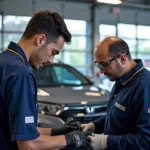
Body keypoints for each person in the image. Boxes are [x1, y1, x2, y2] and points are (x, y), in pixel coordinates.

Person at [0, 10, 91, 150]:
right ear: (40, 40)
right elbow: (28, 144)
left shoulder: (5, 62)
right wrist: (69, 139)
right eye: (53, 52)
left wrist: (55, 132)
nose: (51, 60)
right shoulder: (21, 74)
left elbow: (17, 128)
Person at [82, 36, 150, 150]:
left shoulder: (144, 87)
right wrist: (94, 126)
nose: (101, 71)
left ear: (122, 59)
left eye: (104, 64)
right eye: (98, 65)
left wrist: (105, 142)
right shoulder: (120, 78)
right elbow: (118, 118)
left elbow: (146, 140)